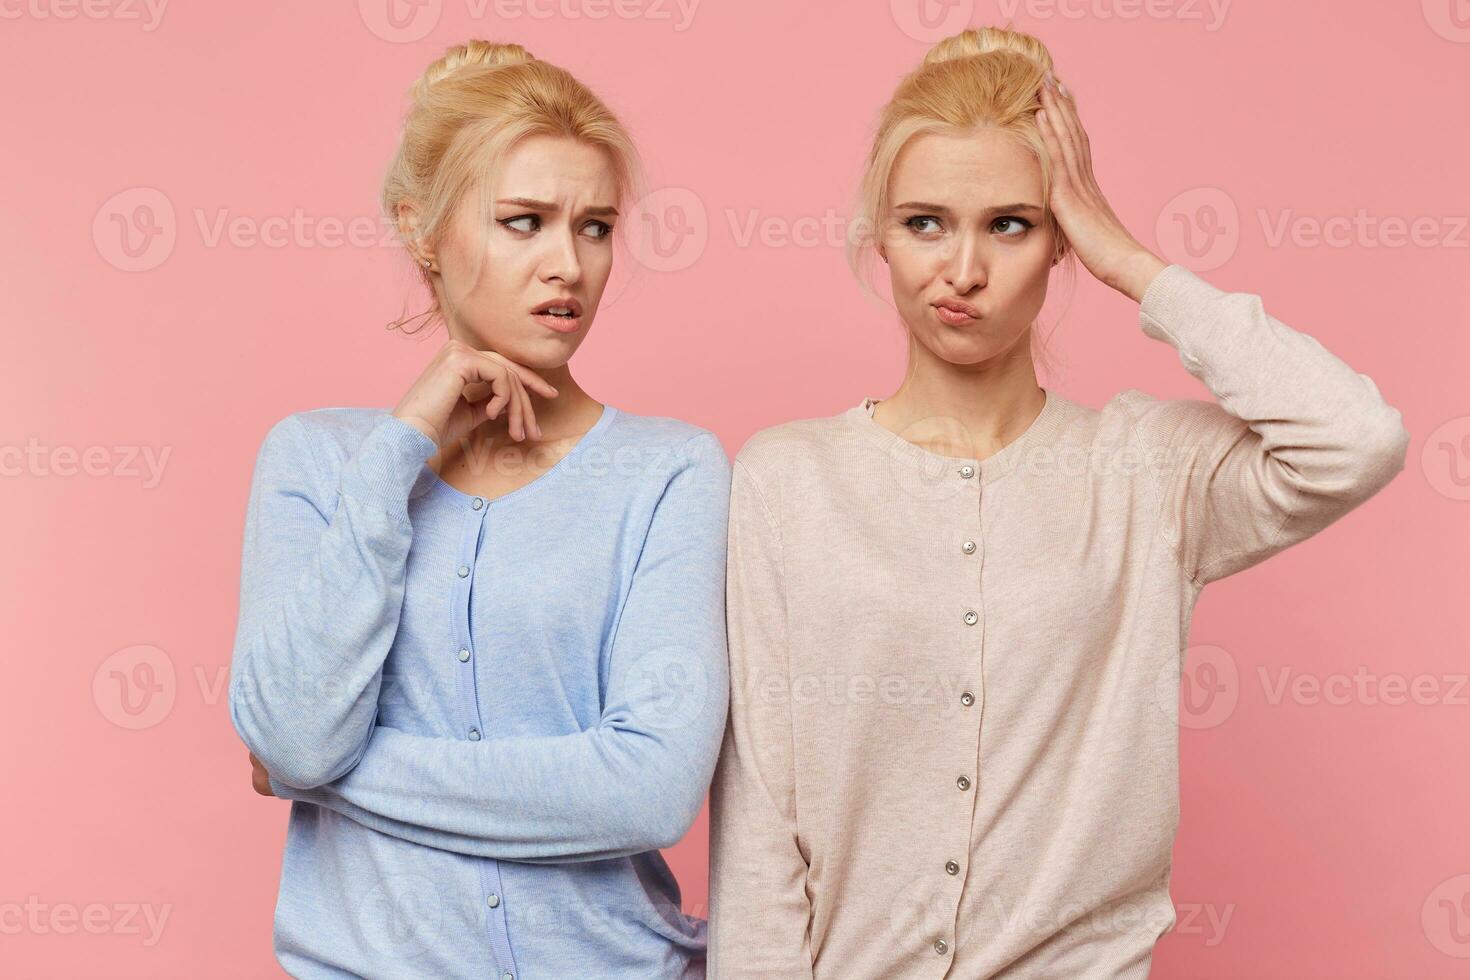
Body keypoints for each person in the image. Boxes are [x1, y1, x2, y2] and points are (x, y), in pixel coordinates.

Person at [707, 25, 1409, 980]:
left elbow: (1355, 440)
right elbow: (760, 819)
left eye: (1010, 223)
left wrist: (1129, 259)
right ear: (878, 235)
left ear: (1059, 244)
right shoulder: (788, 478)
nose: (962, 270)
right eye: (925, 223)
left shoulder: (1144, 471)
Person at [229, 39, 730, 980]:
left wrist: (328, 776)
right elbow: (292, 727)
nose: (567, 266)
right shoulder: (320, 461)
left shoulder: (671, 472)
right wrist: (403, 445)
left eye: (594, 226)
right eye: (524, 221)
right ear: (422, 229)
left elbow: (651, 792)